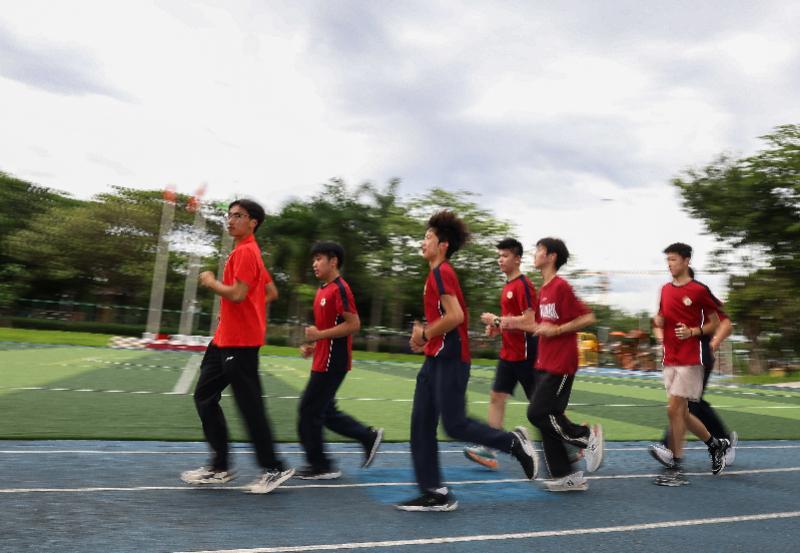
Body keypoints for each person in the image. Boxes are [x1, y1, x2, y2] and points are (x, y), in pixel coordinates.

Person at [396, 211, 538, 512]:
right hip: (435, 358)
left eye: (428, 237)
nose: (423, 242)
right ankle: (435, 492)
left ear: (443, 245)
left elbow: (456, 316)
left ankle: (512, 443)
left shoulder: (442, 272)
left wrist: (425, 334)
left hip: (451, 359)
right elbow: (443, 321)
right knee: (421, 424)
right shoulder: (435, 274)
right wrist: (424, 338)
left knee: (455, 425)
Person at [181, 199, 294, 494]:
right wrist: (246, 309)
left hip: (240, 342)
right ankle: (219, 467)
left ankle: (274, 467)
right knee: (204, 397)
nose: (231, 220)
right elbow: (270, 291)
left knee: (249, 406)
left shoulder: (246, 252)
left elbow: (237, 294)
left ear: (253, 222)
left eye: (238, 216)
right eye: (229, 215)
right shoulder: (244, 252)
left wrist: (210, 281)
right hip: (223, 339)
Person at [503, 237, 604, 492]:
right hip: (543, 362)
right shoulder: (544, 290)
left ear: (551, 256)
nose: (535, 254)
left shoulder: (561, 287)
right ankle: (566, 476)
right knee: (549, 417)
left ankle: (586, 437)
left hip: (561, 363)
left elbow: (588, 317)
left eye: (539, 250)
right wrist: (502, 323)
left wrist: (557, 330)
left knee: (537, 413)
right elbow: (535, 324)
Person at [296, 241, 384, 479]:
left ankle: (322, 466)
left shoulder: (340, 289)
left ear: (333, 261)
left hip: (333, 362)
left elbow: (353, 324)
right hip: (323, 358)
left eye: (319, 259)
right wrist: (314, 346)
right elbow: (329, 329)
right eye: (314, 259)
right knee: (325, 412)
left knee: (308, 410)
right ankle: (367, 436)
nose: (314, 264)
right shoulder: (322, 290)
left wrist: (319, 335)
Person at [651, 243, 730, 486]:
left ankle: (676, 468)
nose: (669, 264)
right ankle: (715, 444)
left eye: (673, 259)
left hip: (691, 358)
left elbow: (716, 322)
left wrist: (693, 331)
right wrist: (659, 323)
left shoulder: (698, 290)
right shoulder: (665, 290)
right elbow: (661, 317)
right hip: (670, 358)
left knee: (674, 410)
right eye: (668, 260)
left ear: (686, 261)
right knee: (682, 413)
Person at [463, 238, 538, 470]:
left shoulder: (524, 285)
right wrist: (498, 328)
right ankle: (490, 448)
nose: (500, 260)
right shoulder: (507, 287)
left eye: (505, 256)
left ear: (518, 259)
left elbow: (530, 322)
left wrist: (496, 320)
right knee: (496, 396)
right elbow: (512, 322)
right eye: (499, 256)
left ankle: (574, 444)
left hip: (526, 354)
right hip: (508, 353)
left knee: (541, 407)